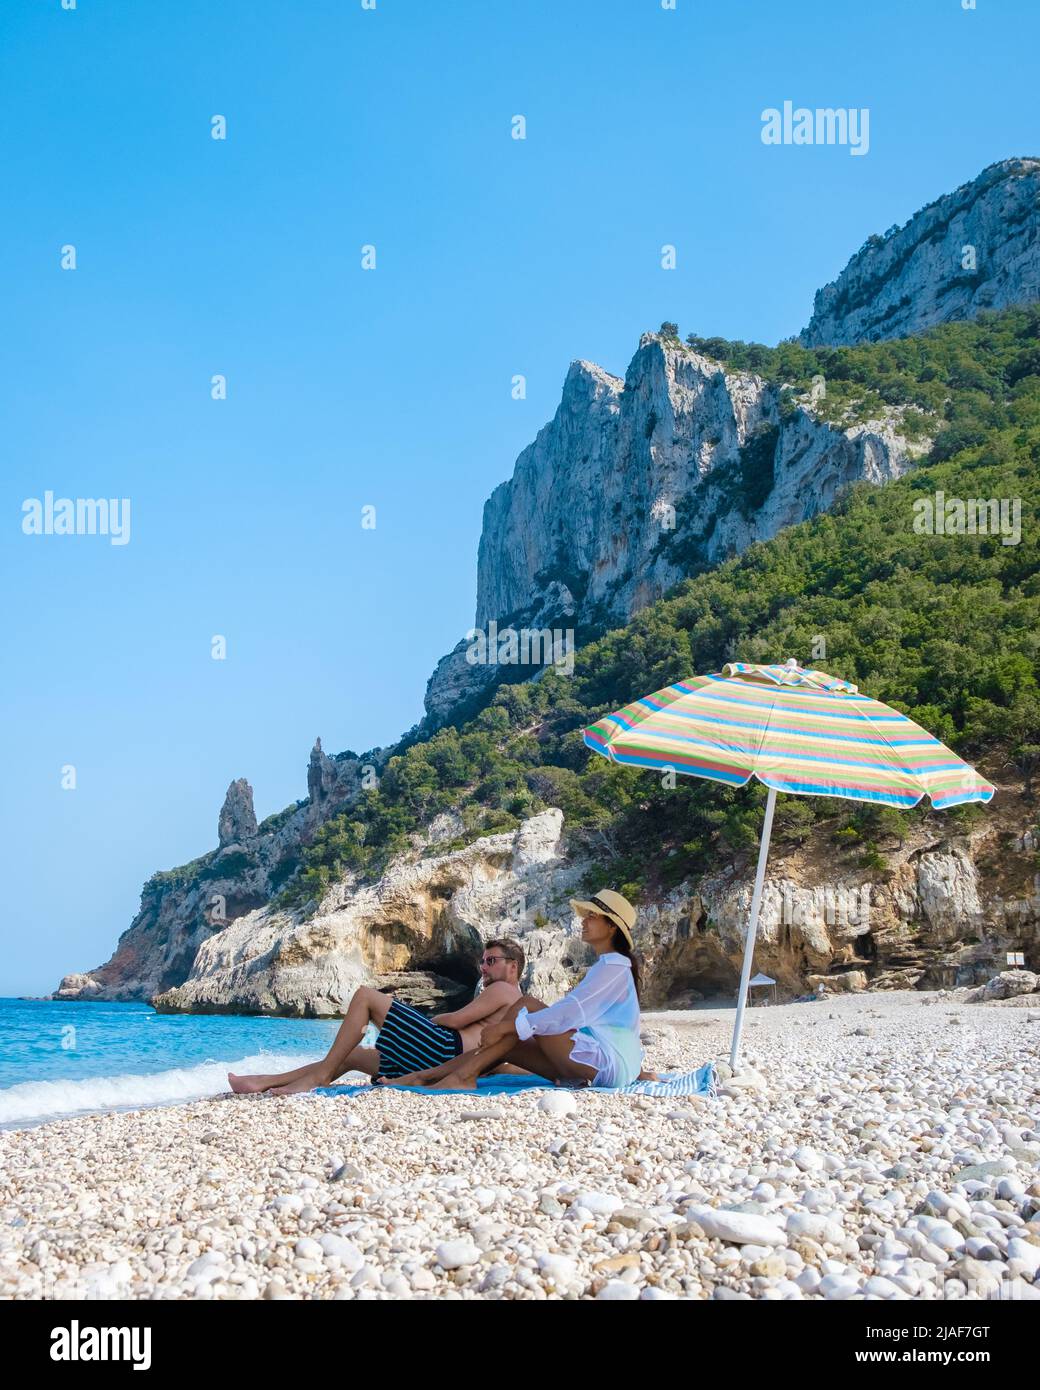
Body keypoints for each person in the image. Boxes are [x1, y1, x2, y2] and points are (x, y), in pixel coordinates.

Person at [379, 890, 644, 1091]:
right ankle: (427, 1076)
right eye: (585, 915)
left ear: (611, 927)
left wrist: (507, 1027)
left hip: (607, 1066)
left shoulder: (614, 966)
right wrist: (511, 1031)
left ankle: (457, 1077)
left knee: (525, 1005)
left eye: (592, 917)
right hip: (603, 1064)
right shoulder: (611, 966)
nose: (584, 921)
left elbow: (569, 1013)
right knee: (506, 1046)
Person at [227, 939, 525, 1095]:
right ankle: (263, 1081)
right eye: (483, 961)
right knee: (351, 1055)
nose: (483, 967)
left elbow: (458, 1021)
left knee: (366, 997)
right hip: (443, 1060)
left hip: (442, 1048)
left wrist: (431, 1021)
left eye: (491, 961)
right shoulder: (517, 1001)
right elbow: (503, 1061)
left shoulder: (503, 989)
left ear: (513, 967)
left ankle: (317, 1078)